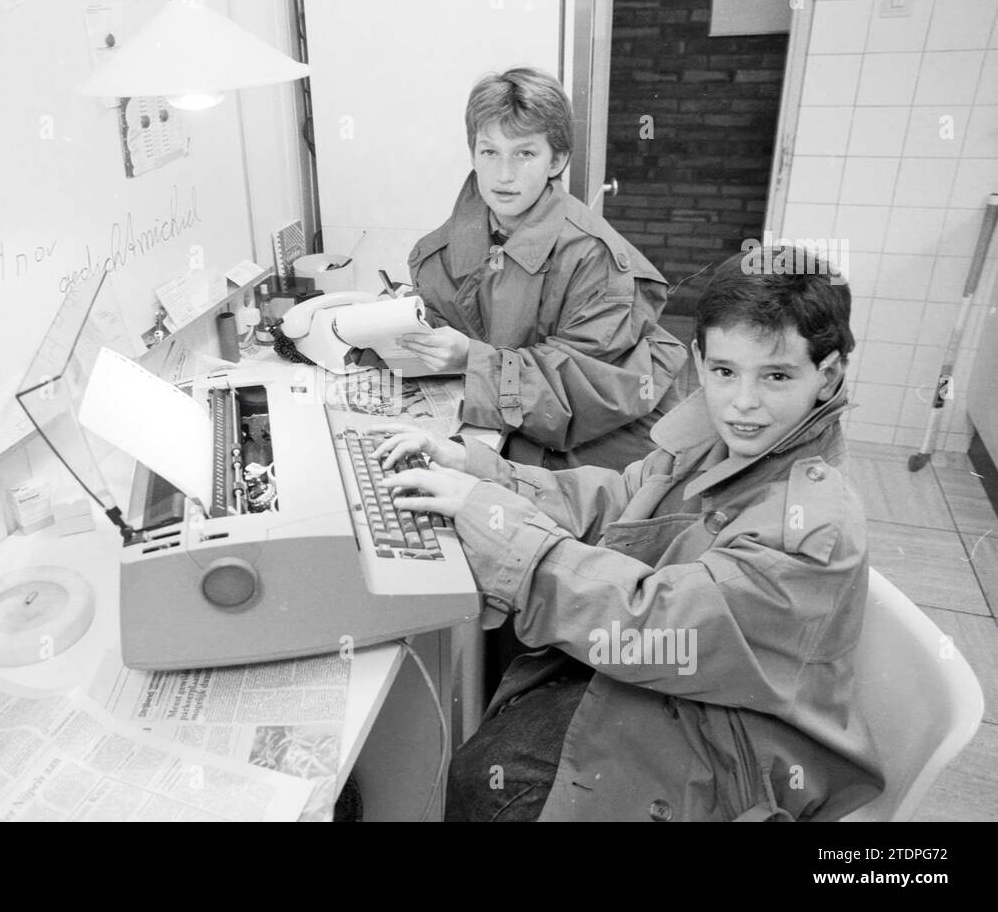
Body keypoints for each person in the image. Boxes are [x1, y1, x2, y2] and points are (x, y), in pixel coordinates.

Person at [375, 248, 884, 821]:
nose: (743, 402)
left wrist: (507, 537)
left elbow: (657, 629)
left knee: (490, 785)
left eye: (776, 376)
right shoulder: (722, 441)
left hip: (739, 748)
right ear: (699, 360)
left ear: (829, 375)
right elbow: (620, 503)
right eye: (724, 372)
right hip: (689, 690)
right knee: (485, 756)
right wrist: (483, 472)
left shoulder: (809, 526)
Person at [397, 66, 687, 473]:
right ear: (473, 154)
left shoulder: (596, 259)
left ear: (558, 160)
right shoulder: (439, 251)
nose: (504, 175)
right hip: (509, 434)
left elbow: (574, 390)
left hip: (595, 460)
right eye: (489, 152)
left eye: (525, 153)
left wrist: (472, 361)